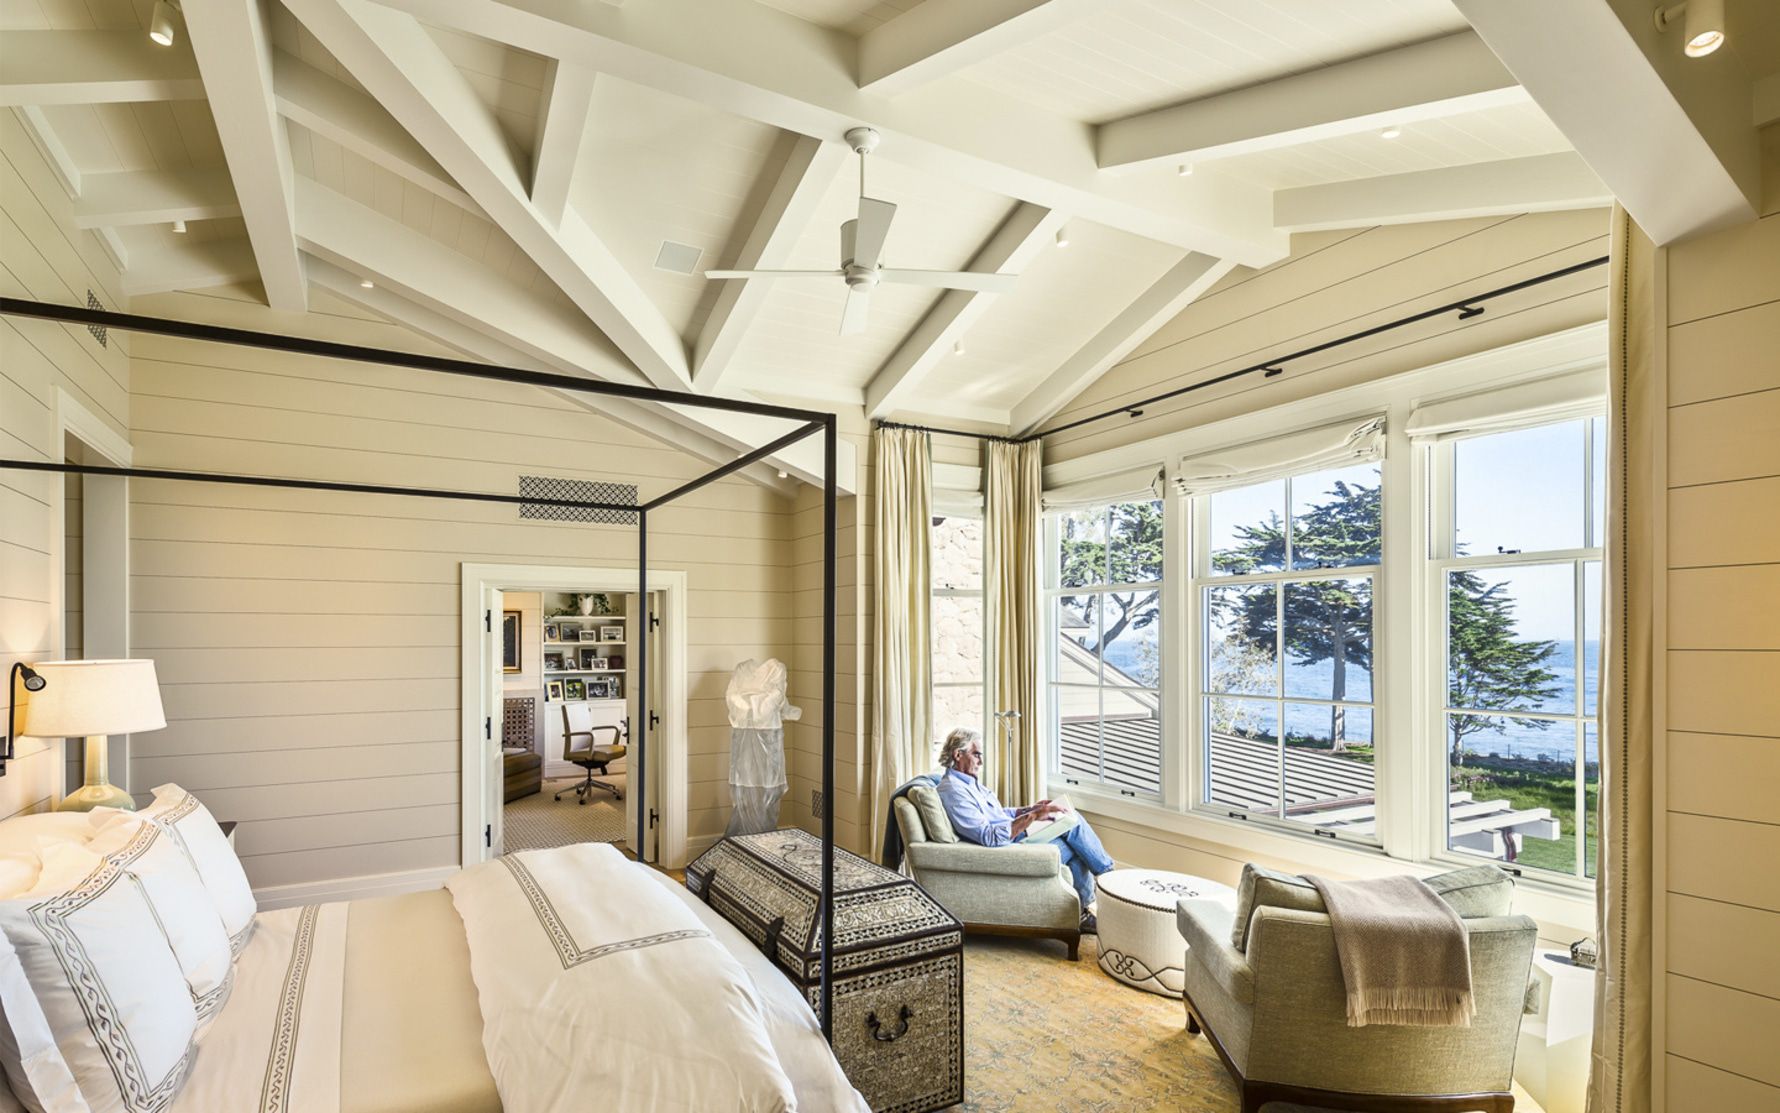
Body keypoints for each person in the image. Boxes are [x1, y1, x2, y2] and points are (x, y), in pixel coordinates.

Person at [933, 727, 1113, 934]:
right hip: (1008, 847)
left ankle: (1084, 912)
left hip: (1014, 835)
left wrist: (1031, 808)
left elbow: (999, 814)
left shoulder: (969, 783)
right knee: (1075, 827)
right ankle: (1109, 881)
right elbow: (987, 836)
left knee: (1070, 826)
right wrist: (1033, 818)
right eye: (977, 755)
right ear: (958, 755)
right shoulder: (953, 791)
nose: (981, 762)